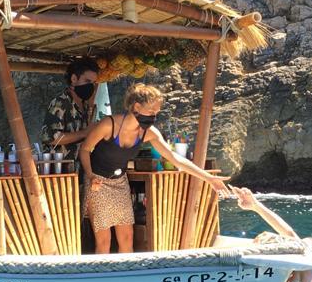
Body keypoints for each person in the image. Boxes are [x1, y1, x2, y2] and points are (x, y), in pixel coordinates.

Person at [79, 83, 231, 254]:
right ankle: (102, 279)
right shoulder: (109, 124)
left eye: (156, 113)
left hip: (120, 182)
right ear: (136, 107)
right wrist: (91, 175)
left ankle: (125, 277)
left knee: (127, 237)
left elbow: (175, 158)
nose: (154, 117)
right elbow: (85, 149)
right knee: (104, 241)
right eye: (151, 112)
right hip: (97, 182)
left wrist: (208, 178)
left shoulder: (149, 132)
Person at [40, 56, 100, 160]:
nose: (91, 86)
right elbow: (50, 137)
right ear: (74, 79)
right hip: (61, 170)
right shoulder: (60, 103)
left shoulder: (85, 105)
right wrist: (84, 133)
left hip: (80, 168)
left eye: (93, 83)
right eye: (87, 81)